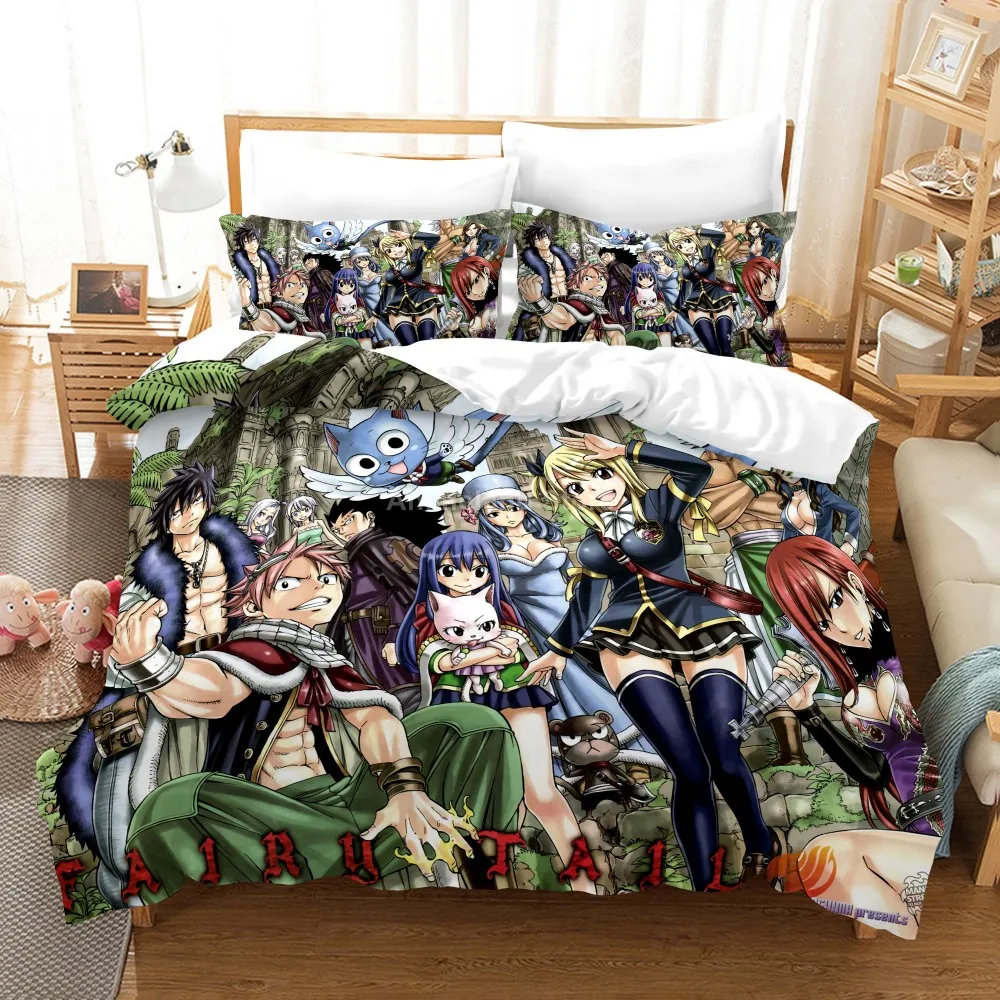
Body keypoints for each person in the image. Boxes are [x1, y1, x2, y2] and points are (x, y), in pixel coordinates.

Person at [110, 539, 524, 897]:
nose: (317, 588)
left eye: (326, 578)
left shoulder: (328, 660)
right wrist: (150, 663)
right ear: (254, 605)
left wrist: (405, 791)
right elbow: (213, 692)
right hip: (270, 819)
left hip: (357, 804)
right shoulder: (248, 651)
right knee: (179, 802)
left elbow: (375, 719)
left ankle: (482, 855)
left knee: (473, 724)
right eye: (289, 583)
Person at [525, 431, 775, 889]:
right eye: (576, 487)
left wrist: (626, 449)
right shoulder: (591, 548)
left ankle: (760, 840)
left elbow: (697, 469)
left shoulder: (660, 506)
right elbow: (586, 602)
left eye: (601, 475)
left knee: (722, 752)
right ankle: (704, 883)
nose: (595, 489)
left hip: (700, 623)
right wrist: (558, 650)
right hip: (627, 637)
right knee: (689, 768)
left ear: (618, 471)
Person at [397, 532, 597, 893]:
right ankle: (495, 885)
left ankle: (585, 882)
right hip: (460, 707)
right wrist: (493, 648)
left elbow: (517, 650)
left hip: (515, 694)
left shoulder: (499, 604)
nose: (466, 579)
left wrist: (476, 652)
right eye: (450, 570)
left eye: (477, 570)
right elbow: (438, 660)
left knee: (541, 793)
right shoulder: (427, 611)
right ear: (432, 572)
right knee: (480, 800)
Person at [765, 536, 943, 838]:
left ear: (854, 582)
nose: (843, 629)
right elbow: (874, 775)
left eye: (836, 600)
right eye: (822, 625)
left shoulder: (910, 633)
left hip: (960, 801)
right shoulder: (855, 690)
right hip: (919, 821)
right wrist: (807, 711)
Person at [461, 473, 653, 740]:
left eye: (513, 508)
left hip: (569, 608)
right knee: (561, 673)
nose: (508, 517)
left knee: (597, 660)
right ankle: (578, 735)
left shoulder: (550, 537)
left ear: (523, 507)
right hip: (531, 616)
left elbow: (575, 578)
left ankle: (636, 725)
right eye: (495, 513)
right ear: (484, 518)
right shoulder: (490, 550)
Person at [327, 496, 444, 698]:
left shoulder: (383, 546)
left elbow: (410, 593)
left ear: (370, 517)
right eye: (337, 529)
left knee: (402, 693)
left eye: (348, 521)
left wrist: (396, 637)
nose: (343, 531)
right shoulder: (360, 551)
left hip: (382, 632)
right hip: (360, 635)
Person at [667, 226, 739, 357]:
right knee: (713, 351)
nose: (686, 247)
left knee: (725, 346)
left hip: (719, 298)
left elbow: (721, 235)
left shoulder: (707, 251)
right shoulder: (685, 268)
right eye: (680, 246)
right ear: (678, 250)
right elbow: (684, 290)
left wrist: (696, 232)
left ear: (693, 239)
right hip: (696, 303)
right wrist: (675, 310)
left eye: (687, 241)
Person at [374, 231, 445, 344]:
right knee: (408, 345)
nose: (395, 251)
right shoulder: (390, 271)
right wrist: (375, 315)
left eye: (398, 245)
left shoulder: (416, 255)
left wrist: (410, 235)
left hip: (422, 300)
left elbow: (435, 238)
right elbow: (386, 293)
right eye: (389, 250)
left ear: (405, 243)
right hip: (398, 306)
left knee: (427, 343)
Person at [239, 266, 320, 336]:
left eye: (303, 285)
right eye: (290, 285)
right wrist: (247, 303)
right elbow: (269, 326)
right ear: (279, 293)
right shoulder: (280, 311)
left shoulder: (300, 313)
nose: (299, 288)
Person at [442, 255, 500, 338]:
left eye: (475, 281)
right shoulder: (477, 308)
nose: (474, 292)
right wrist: (455, 329)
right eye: (467, 292)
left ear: (486, 272)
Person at [232, 222, 279, 309]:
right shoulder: (239, 269)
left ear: (258, 241)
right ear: (243, 245)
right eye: (247, 242)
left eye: (254, 240)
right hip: (255, 309)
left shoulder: (268, 262)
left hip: (273, 306)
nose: (252, 244)